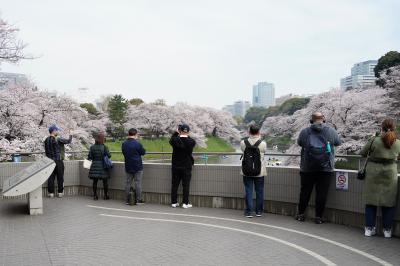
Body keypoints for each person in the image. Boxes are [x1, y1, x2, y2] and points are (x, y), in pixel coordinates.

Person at [295, 112, 341, 224]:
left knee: (305, 191)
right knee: (322, 193)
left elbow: (300, 143)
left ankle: (301, 215)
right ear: (323, 120)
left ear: (311, 120)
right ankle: (318, 217)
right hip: (326, 168)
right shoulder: (331, 131)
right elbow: (338, 143)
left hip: (307, 167)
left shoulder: (305, 132)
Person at [360, 118, 400, 238]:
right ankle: (387, 231)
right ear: (394, 128)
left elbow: (362, 152)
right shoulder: (398, 142)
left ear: (381, 128)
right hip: (390, 173)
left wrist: (371, 138)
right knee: (389, 202)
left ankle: (369, 229)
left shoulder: (374, 140)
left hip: (373, 172)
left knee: (371, 201)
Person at [240, 124, 267, 218]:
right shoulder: (263, 143)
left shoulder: (243, 142)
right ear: (259, 132)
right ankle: (259, 211)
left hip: (246, 170)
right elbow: (264, 152)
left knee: (248, 190)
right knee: (259, 191)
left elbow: (242, 151)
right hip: (259, 171)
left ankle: (248, 212)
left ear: (249, 132)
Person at [170, 124, 196, 208]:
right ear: (188, 131)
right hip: (186, 166)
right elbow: (187, 141)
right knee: (186, 185)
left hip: (176, 166)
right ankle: (185, 203)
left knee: (175, 184)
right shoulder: (192, 142)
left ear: (179, 130)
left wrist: (176, 133)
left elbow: (172, 140)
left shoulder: (174, 140)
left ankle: (174, 202)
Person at [44, 125, 73, 198]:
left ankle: (51, 193)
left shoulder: (46, 140)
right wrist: (71, 134)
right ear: (53, 131)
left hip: (49, 161)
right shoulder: (58, 139)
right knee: (60, 177)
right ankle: (60, 192)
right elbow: (69, 141)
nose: (58, 132)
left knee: (51, 177)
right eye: (57, 130)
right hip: (58, 161)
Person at [122, 128, 146, 205]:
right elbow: (143, 152)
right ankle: (139, 200)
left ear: (129, 134)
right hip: (137, 166)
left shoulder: (124, 143)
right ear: (135, 134)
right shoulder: (137, 144)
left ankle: (127, 200)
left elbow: (124, 153)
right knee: (138, 183)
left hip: (128, 165)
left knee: (128, 183)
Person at [88, 132, 111, 200]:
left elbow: (90, 157)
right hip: (103, 166)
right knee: (105, 182)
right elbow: (109, 156)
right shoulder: (104, 147)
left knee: (95, 182)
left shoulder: (92, 147)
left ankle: (95, 196)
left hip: (94, 165)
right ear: (102, 139)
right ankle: (105, 195)